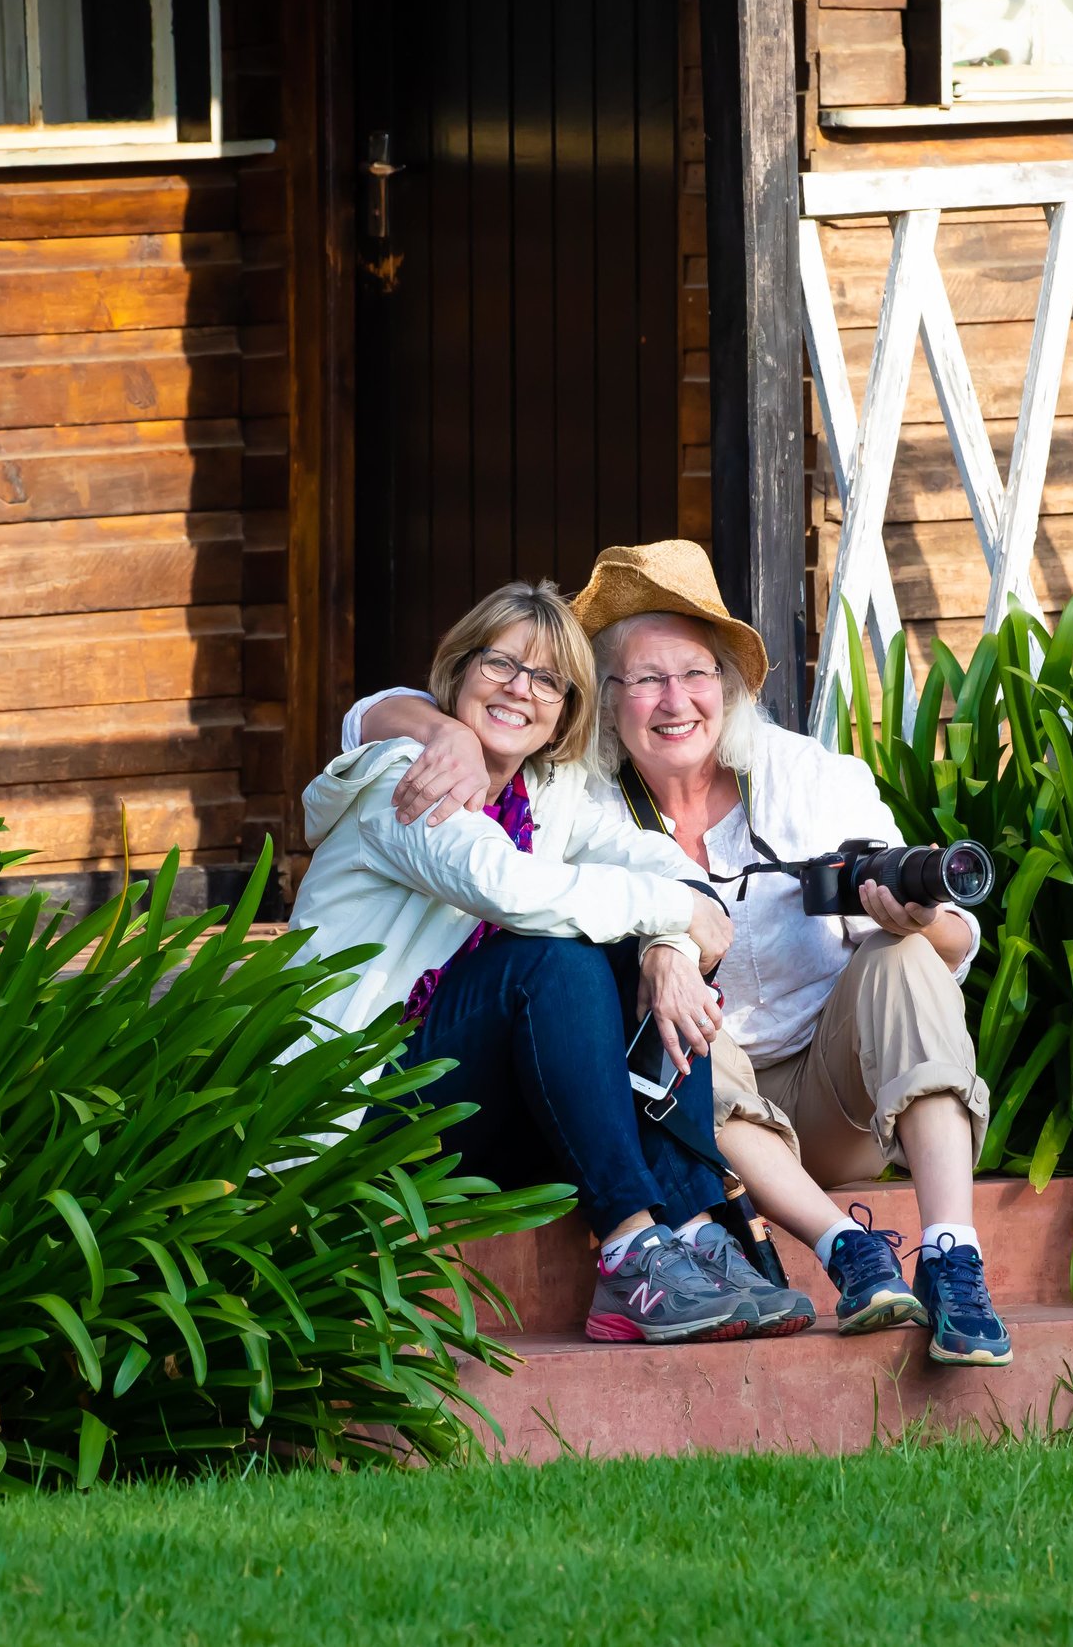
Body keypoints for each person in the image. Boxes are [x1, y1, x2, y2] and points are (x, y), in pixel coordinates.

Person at [345, 544, 1012, 1367]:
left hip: (832, 1095)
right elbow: (507, 879)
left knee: (899, 955)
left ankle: (953, 1251)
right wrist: (667, 943)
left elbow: (952, 946)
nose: (674, 701)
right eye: (645, 679)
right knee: (630, 983)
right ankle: (827, 1248)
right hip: (705, 1104)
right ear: (609, 702)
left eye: (694, 674)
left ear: (728, 687)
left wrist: (909, 916)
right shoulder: (553, 786)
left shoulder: (805, 777)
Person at [285, 580, 817, 1345]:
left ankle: (698, 1228)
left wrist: (668, 949)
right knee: (554, 960)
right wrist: (672, 915)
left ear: (565, 709)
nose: (519, 690)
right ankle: (634, 1249)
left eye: (546, 679)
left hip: (474, 1112)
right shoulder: (404, 776)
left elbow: (661, 862)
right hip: (364, 1113)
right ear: (459, 672)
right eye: (501, 665)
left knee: (646, 957)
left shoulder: (549, 794)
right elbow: (511, 889)